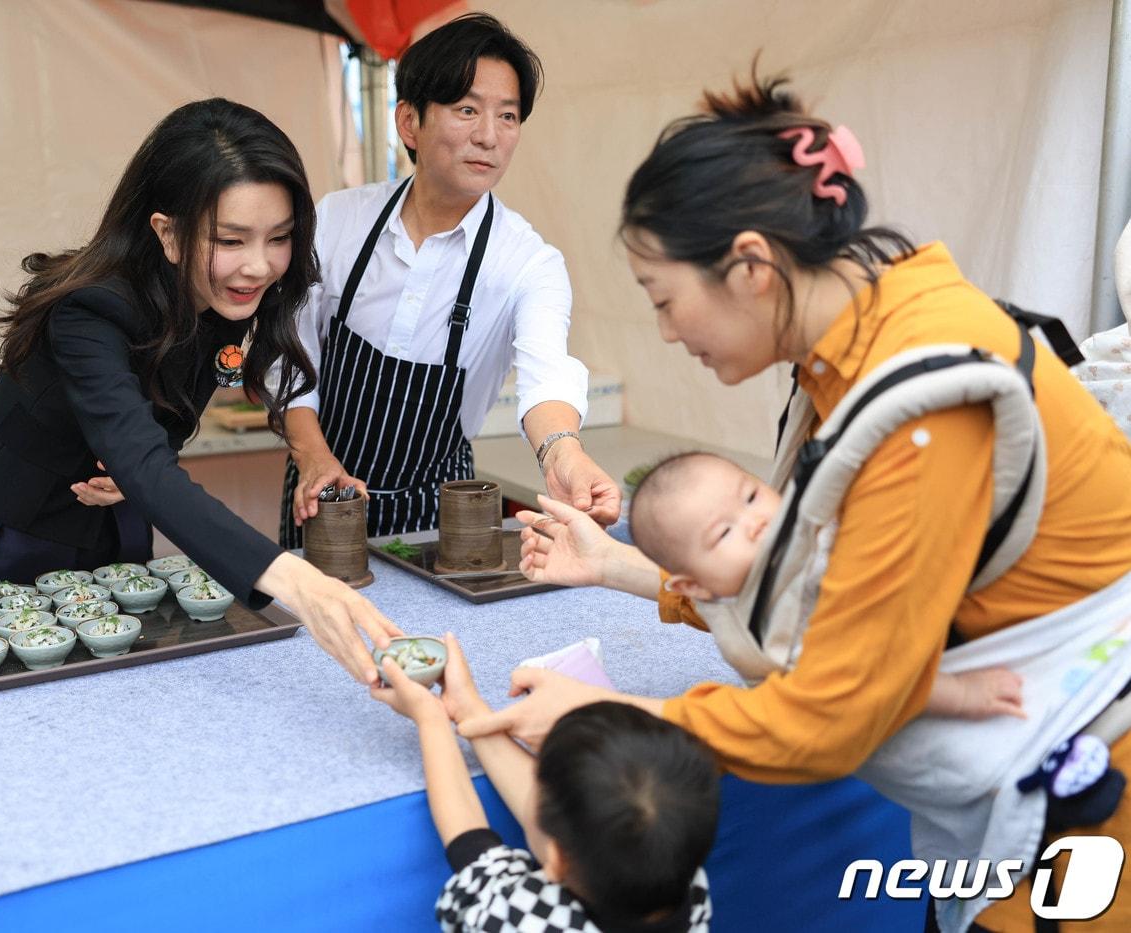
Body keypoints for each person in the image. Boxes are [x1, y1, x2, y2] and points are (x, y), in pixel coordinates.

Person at [457, 71, 1131, 930]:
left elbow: (831, 715)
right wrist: (625, 565)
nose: (668, 333)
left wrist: (614, 711)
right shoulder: (864, 342)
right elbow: (814, 587)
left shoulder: (920, 403)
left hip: (1083, 808)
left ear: (750, 267)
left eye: (666, 300)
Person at [0, 99, 400, 684]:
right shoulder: (90, 309)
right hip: (2, 525)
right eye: (231, 240)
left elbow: (150, 432)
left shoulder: (225, 298)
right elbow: (140, 454)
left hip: (116, 522)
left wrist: (133, 470)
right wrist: (298, 582)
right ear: (167, 232)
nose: (259, 267)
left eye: (280, 237)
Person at [273, 13, 619, 547]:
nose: (489, 136)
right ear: (409, 121)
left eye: (508, 116)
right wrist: (312, 456)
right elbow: (288, 353)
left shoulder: (528, 262)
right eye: (466, 110)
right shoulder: (338, 221)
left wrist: (564, 454)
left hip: (442, 511)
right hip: (323, 496)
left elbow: (547, 372)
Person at [631, 451, 1024, 720]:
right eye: (725, 532)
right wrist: (963, 695)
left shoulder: (794, 531)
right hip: (899, 709)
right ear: (695, 586)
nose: (756, 521)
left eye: (751, 496)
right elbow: (870, 682)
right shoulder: (768, 636)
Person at [372, 632, 715, 933]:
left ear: (556, 858)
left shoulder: (524, 917)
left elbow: (468, 839)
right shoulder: (686, 882)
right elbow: (574, 810)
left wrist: (429, 718)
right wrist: (468, 709)